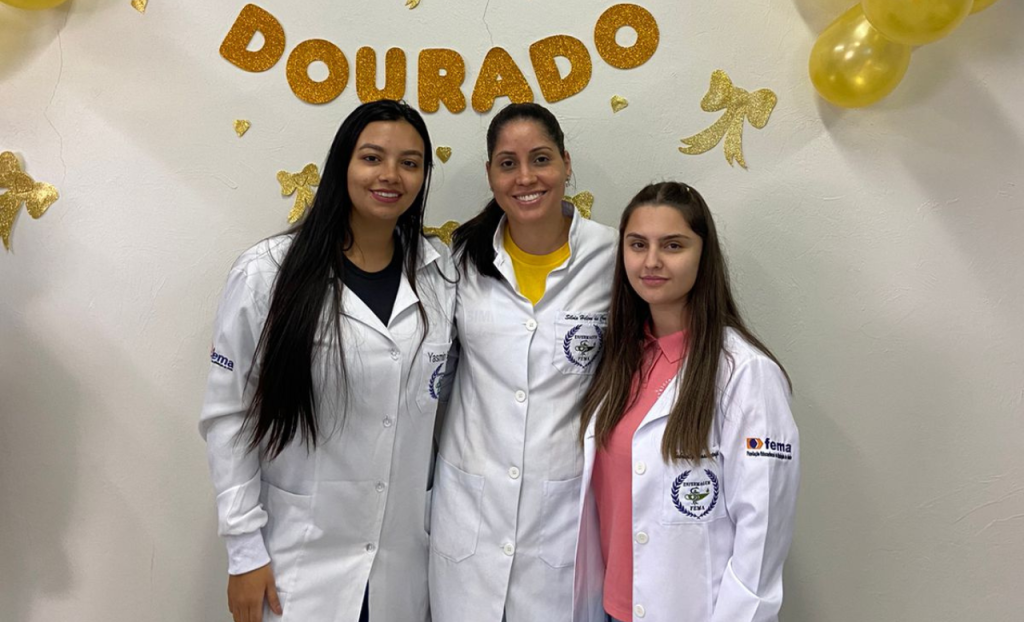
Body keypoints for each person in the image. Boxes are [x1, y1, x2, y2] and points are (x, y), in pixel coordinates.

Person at [199, 99, 456, 622]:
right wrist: (244, 550)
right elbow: (229, 416)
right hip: (298, 560)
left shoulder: (440, 275)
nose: (391, 175)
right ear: (342, 164)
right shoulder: (267, 273)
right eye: (372, 158)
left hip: (402, 564)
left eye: (409, 163)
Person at [573, 182, 800, 622]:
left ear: (703, 254)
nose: (651, 261)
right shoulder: (621, 360)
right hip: (609, 609)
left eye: (673, 245)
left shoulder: (745, 374)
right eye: (638, 244)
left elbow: (763, 534)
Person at [428, 102, 617, 622]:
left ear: (566, 164)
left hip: (562, 522)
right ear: (490, 174)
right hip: (469, 518)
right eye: (508, 164)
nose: (526, 177)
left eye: (541, 159)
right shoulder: (461, 261)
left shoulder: (612, 258)